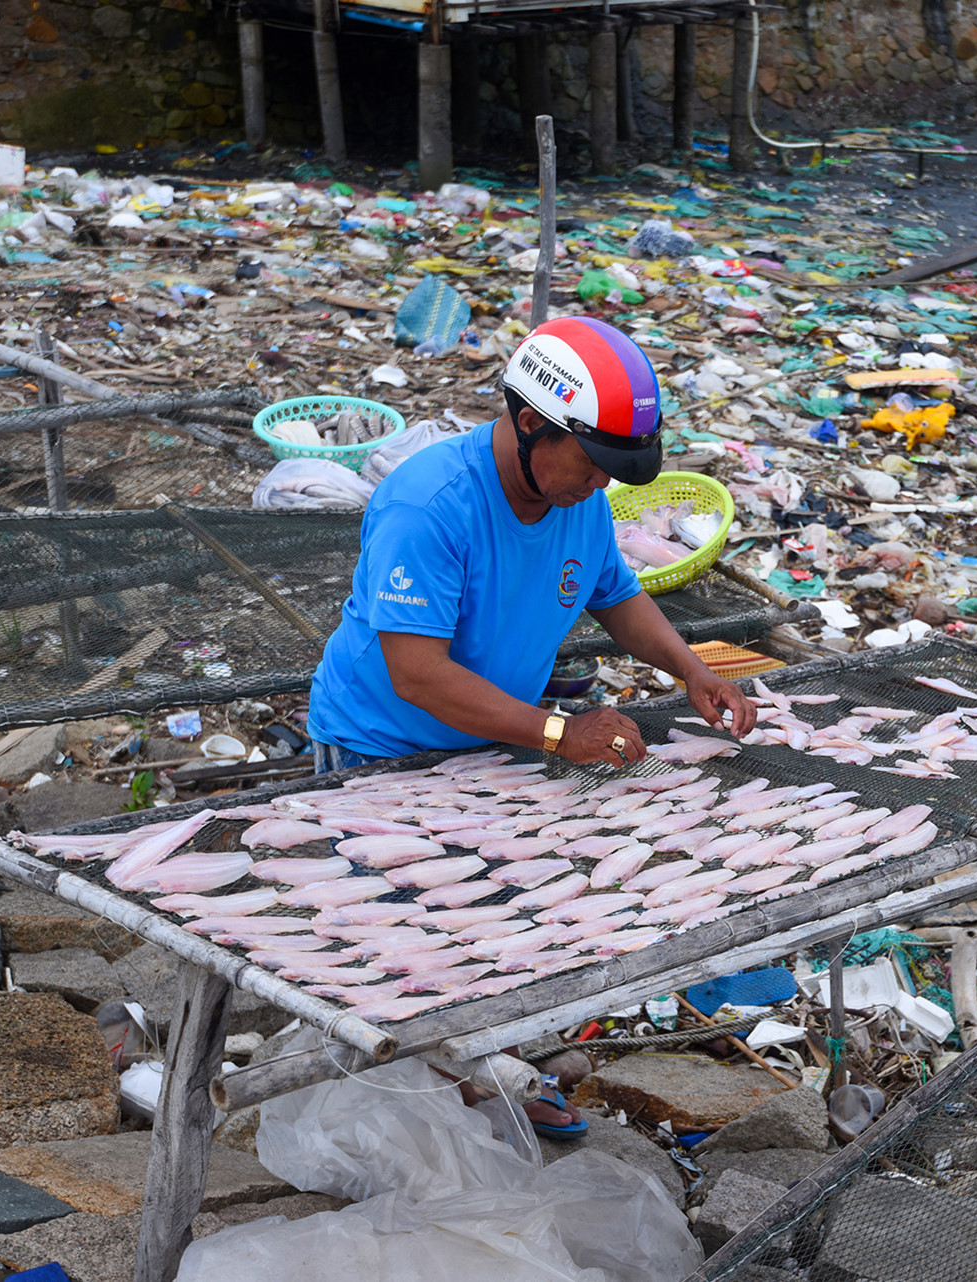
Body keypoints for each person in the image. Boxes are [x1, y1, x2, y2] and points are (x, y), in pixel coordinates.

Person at [305, 316, 759, 1133]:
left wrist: (692, 670)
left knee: (494, 915)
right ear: (528, 424)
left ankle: (483, 1078)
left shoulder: (575, 499)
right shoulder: (430, 505)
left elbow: (616, 594)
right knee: (394, 933)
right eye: (590, 462)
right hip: (379, 748)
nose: (599, 483)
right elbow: (418, 675)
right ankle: (401, 1108)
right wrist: (558, 733)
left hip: (493, 738)